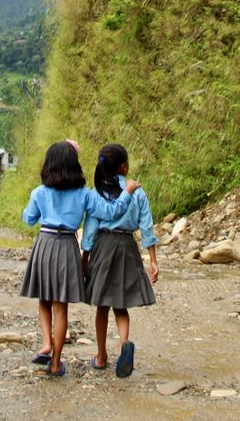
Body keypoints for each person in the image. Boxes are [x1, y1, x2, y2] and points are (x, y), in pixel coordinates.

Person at [20, 140, 140, 378]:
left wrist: (38, 205)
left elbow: (29, 219)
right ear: (75, 166)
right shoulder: (84, 194)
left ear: (48, 165)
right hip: (67, 247)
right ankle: (56, 363)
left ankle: (46, 343)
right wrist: (127, 193)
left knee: (44, 299)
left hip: (45, 244)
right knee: (60, 306)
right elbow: (111, 212)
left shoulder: (39, 192)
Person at [81, 143, 158, 378]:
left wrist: (85, 257)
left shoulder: (97, 192)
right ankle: (124, 343)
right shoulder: (137, 191)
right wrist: (153, 260)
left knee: (102, 306)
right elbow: (146, 226)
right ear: (124, 167)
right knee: (120, 304)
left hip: (103, 246)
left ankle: (101, 356)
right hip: (127, 247)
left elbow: (90, 228)